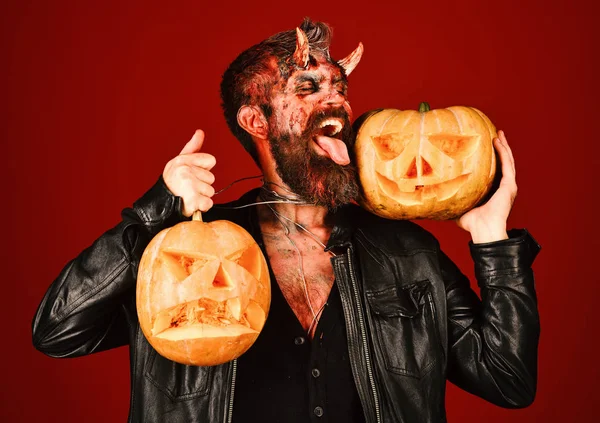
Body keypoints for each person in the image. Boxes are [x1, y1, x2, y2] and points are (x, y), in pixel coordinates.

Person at [32, 18, 540, 423]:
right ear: (257, 121)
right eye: (308, 86)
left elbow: (507, 380)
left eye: (338, 86)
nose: (336, 99)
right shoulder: (181, 255)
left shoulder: (407, 252)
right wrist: (156, 207)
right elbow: (59, 330)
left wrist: (491, 240)